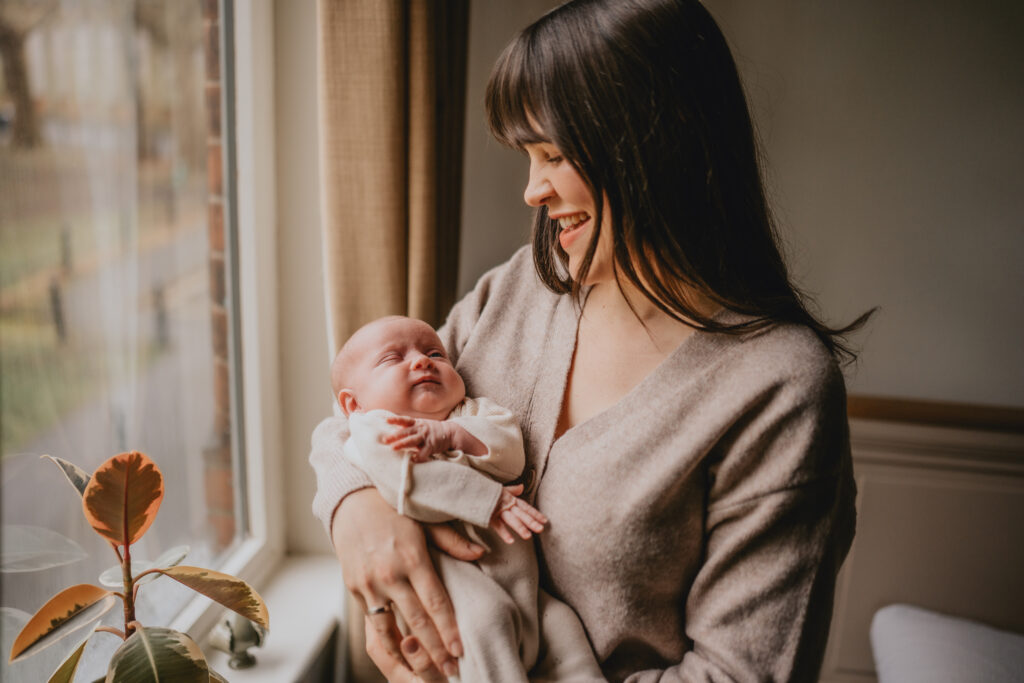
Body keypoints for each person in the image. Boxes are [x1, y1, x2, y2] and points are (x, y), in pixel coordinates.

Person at [311, 0, 873, 680]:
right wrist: (354, 508)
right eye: (528, 156)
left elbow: (737, 674)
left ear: (650, 145)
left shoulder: (777, 387)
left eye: (552, 154)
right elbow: (356, 417)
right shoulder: (521, 288)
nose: (532, 190)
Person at [313, 315, 606, 682]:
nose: (422, 361)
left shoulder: (473, 412)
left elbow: (512, 453)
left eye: (436, 353)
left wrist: (452, 434)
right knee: (487, 620)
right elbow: (409, 484)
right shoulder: (374, 430)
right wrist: (490, 500)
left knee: (562, 624)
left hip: (521, 585)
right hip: (449, 582)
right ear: (353, 405)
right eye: (392, 359)